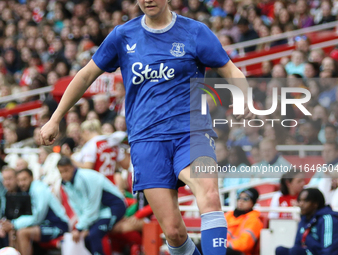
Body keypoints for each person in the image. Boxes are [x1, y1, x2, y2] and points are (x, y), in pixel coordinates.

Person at [40, 1, 253, 254]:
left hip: (191, 133)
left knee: (209, 194)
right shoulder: (123, 36)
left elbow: (230, 69)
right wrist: (55, 118)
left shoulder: (195, 32)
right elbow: (86, 75)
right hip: (146, 142)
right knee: (173, 232)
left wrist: (245, 98)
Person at [57, 157, 126, 255]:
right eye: (61, 172)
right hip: (100, 211)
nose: (64, 174)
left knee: (94, 234)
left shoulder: (86, 177)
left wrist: (80, 228)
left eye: (66, 170)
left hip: (114, 207)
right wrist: (82, 226)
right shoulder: (66, 184)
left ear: (72, 167)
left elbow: (92, 207)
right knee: (86, 237)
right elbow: (78, 206)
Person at [1, 169, 69, 255]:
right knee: (15, 231)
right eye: (19, 180)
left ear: (32, 178)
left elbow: (37, 217)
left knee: (22, 233)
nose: (21, 183)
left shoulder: (39, 189)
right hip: (43, 224)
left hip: (59, 225)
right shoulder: (27, 191)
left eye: (24, 179)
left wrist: (14, 224)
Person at [276, 188, 338, 255]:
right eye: (300, 200)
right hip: (307, 252)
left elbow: (330, 249)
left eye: (305, 201)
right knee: (280, 250)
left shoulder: (327, 219)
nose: (301, 204)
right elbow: (297, 244)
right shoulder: (304, 219)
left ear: (315, 204)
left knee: (295, 251)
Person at [72, 119, 130, 184]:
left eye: (82, 135)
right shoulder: (112, 142)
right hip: (112, 184)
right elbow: (126, 165)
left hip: (97, 184)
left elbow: (88, 167)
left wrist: (72, 160)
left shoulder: (91, 145)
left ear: (86, 132)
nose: (82, 138)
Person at [224, 188, 263, 255]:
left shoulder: (254, 220)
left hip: (239, 252)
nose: (241, 201)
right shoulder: (228, 215)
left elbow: (244, 245)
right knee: (201, 246)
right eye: (239, 198)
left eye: (245, 199)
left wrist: (223, 245)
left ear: (252, 203)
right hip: (224, 248)